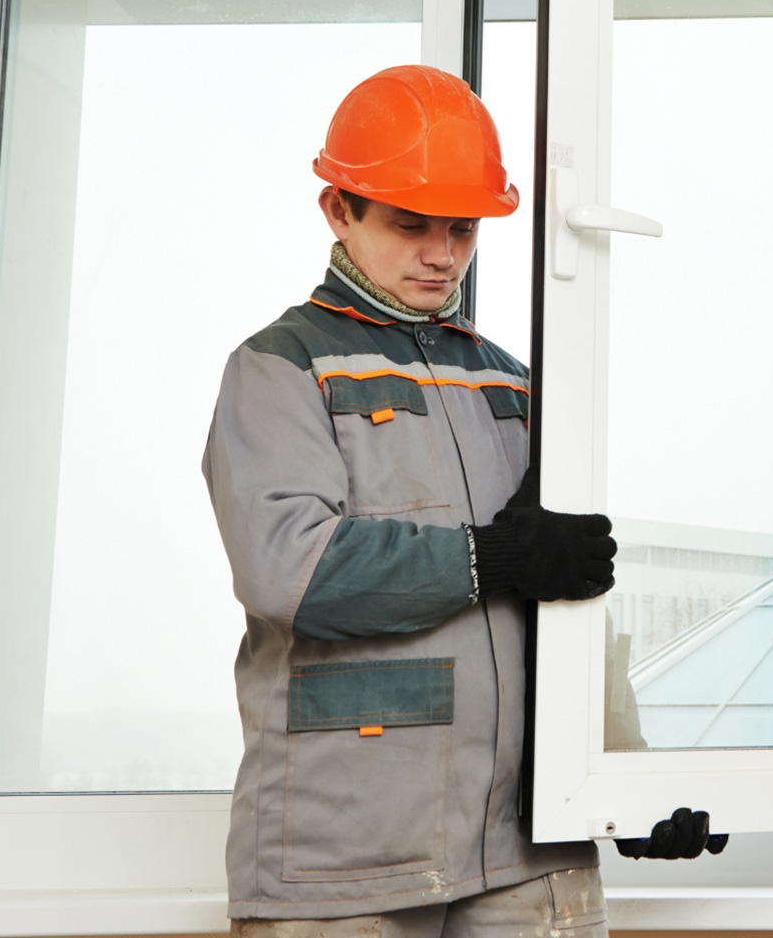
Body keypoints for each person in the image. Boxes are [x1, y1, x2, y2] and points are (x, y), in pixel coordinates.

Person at [205, 65, 722, 938]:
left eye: (461, 229)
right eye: (412, 226)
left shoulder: (511, 384)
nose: (442, 254)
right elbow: (290, 571)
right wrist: (492, 559)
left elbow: (568, 599)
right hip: (348, 861)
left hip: (528, 860)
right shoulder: (281, 369)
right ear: (339, 210)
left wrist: (622, 785)